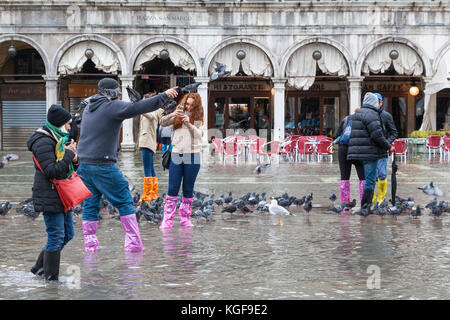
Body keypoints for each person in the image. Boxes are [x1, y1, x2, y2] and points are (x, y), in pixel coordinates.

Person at [76, 78, 178, 252]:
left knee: (91, 204)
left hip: (84, 165)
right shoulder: (111, 107)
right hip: (103, 164)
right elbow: (138, 107)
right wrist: (164, 96)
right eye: (118, 90)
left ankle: (90, 246)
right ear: (112, 92)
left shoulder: (89, 107)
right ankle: (133, 245)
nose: (120, 93)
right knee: (124, 200)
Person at [27, 104, 78, 281]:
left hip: (62, 194)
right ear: (59, 123)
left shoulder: (58, 139)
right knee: (56, 236)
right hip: (49, 194)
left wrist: (74, 159)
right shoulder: (42, 141)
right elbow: (51, 171)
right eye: (68, 124)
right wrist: (69, 155)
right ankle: (51, 279)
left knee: (68, 234)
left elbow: (65, 168)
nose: (70, 127)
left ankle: (39, 267)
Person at [159, 93, 204, 230]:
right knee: (173, 187)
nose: (188, 107)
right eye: (187, 104)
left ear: (196, 106)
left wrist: (188, 123)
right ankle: (167, 219)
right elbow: (162, 122)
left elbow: (199, 135)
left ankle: (185, 218)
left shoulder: (198, 118)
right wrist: (174, 115)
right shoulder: (177, 114)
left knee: (188, 188)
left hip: (193, 155)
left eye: (191, 105)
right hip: (176, 154)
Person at [347, 92, 395, 214]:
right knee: (370, 180)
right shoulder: (372, 114)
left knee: (367, 179)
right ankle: (365, 207)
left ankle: (367, 206)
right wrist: (388, 146)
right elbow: (377, 135)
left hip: (357, 152)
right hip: (368, 153)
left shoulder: (358, 114)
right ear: (374, 103)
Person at [334, 107, 365, 213]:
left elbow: (337, 135)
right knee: (363, 178)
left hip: (344, 149)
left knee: (344, 177)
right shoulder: (365, 121)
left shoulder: (346, 119)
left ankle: (345, 205)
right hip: (359, 150)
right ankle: (364, 204)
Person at [137, 92, 165, 203]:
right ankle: (153, 193)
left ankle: (148, 195)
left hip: (147, 141)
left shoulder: (155, 110)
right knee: (150, 168)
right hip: (147, 141)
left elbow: (152, 117)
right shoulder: (152, 110)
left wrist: (140, 108)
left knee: (147, 169)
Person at [372, 93, 398, 204]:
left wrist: (387, 143)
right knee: (371, 176)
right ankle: (372, 200)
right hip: (369, 150)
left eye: (377, 101)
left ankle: (381, 198)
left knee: (382, 174)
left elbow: (394, 132)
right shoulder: (367, 114)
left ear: (381, 102)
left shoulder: (386, 116)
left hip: (382, 150)